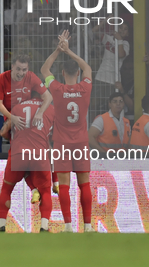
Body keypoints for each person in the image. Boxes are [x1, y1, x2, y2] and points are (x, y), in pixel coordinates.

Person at [40, 30, 94, 233]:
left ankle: (68, 226)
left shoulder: (56, 89)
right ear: (77, 73)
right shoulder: (85, 88)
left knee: (64, 185)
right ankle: (88, 226)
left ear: (62, 73)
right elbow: (87, 67)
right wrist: (69, 51)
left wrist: (58, 50)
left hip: (61, 143)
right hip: (81, 142)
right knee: (84, 183)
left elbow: (44, 69)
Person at [0, 54, 53, 200]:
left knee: (29, 156)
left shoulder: (31, 77)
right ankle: (37, 187)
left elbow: (48, 97)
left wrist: (39, 113)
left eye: (24, 69)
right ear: (12, 66)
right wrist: (12, 117)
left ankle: (37, 188)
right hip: (12, 120)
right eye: (18, 69)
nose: (21, 73)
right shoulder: (1, 78)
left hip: (28, 120)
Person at [0, 98, 54, 232]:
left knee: (6, 189)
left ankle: (1, 225)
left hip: (18, 153)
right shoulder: (51, 109)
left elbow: (3, 132)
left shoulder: (16, 108)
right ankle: (44, 227)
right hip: (39, 153)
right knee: (45, 191)